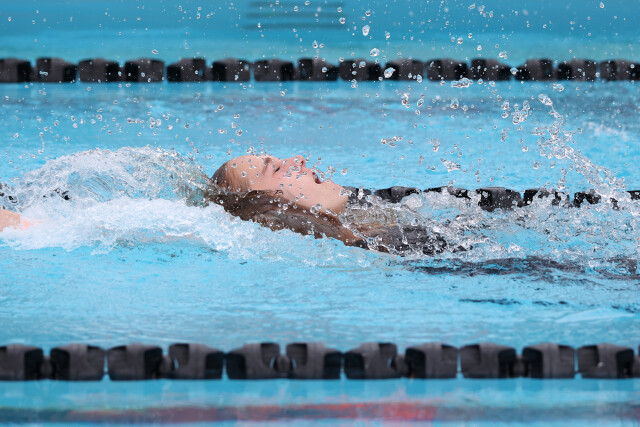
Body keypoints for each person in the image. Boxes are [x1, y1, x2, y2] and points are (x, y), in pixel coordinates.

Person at [1, 153, 448, 255]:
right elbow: (68, 228)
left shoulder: (376, 213)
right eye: (278, 169)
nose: (299, 161)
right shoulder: (229, 232)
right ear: (267, 205)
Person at [204, 154, 448, 255]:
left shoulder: (367, 213)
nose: (298, 159)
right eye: (276, 169)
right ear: (271, 209)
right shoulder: (394, 248)